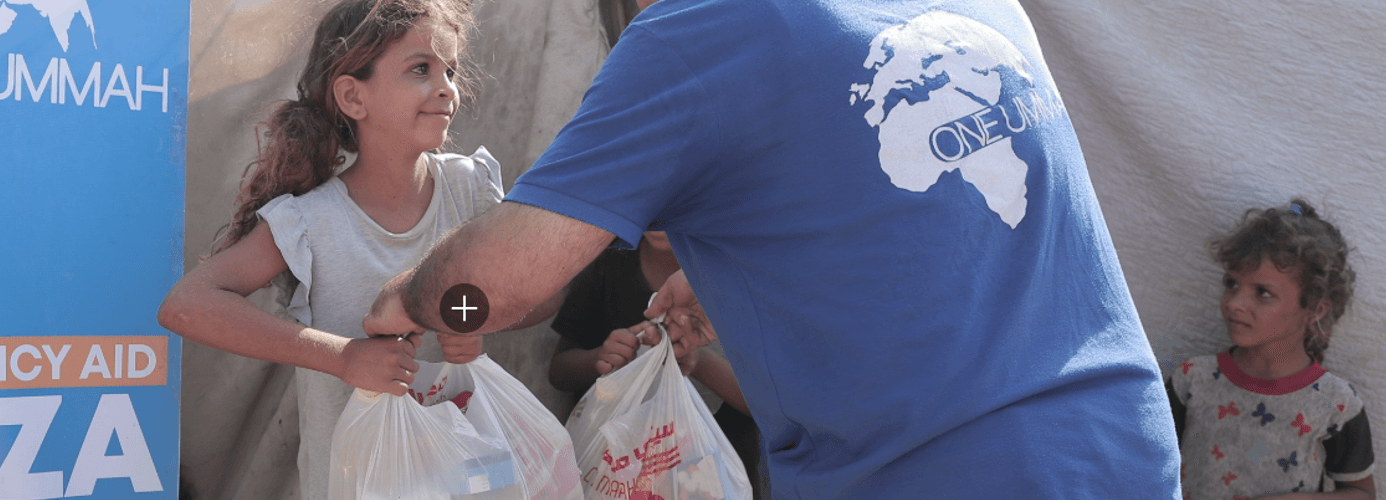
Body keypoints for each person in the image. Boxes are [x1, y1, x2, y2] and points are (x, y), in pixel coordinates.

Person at [364, 0, 1181, 497]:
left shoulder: (697, 34)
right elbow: (929, 219)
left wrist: (419, 303)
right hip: (1123, 448)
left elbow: (500, 290)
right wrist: (717, 272)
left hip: (937, 474)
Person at [155, 1, 503, 497]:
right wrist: (343, 358)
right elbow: (187, 305)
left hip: (465, 478)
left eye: (450, 69)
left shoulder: (471, 189)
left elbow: (541, 293)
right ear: (352, 97)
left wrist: (480, 318)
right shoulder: (311, 222)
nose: (446, 87)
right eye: (420, 69)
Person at [1167, 199, 1373, 499]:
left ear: (1315, 308)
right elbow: (1143, 463)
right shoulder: (1191, 381)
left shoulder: (1337, 405)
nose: (1235, 303)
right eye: (1232, 284)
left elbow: (1361, 493)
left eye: (1262, 292)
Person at [546, 230, 765, 496]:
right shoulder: (608, 267)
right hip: (621, 477)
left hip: (716, 478)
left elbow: (767, 404)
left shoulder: (742, 274)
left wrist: (695, 362)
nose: (659, 215)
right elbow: (559, 371)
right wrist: (601, 359)